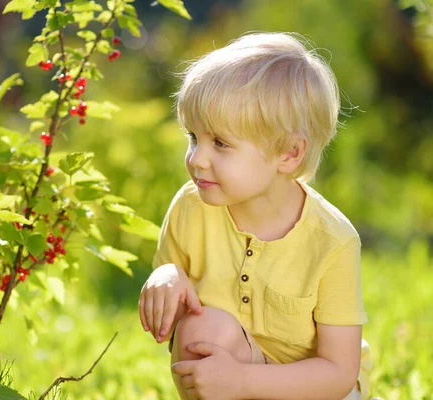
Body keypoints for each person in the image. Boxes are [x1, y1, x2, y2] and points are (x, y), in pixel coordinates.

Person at [139, 32, 371, 400]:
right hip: (231, 372)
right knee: (202, 328)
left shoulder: (333, 240)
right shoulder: (190, 208)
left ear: (289, 154)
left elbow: (339, 371)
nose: (197, 158)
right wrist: (166, 277)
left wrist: (243, 382)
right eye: (193, 137)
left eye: (220, 143)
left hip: (315, 390)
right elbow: (172, 325)